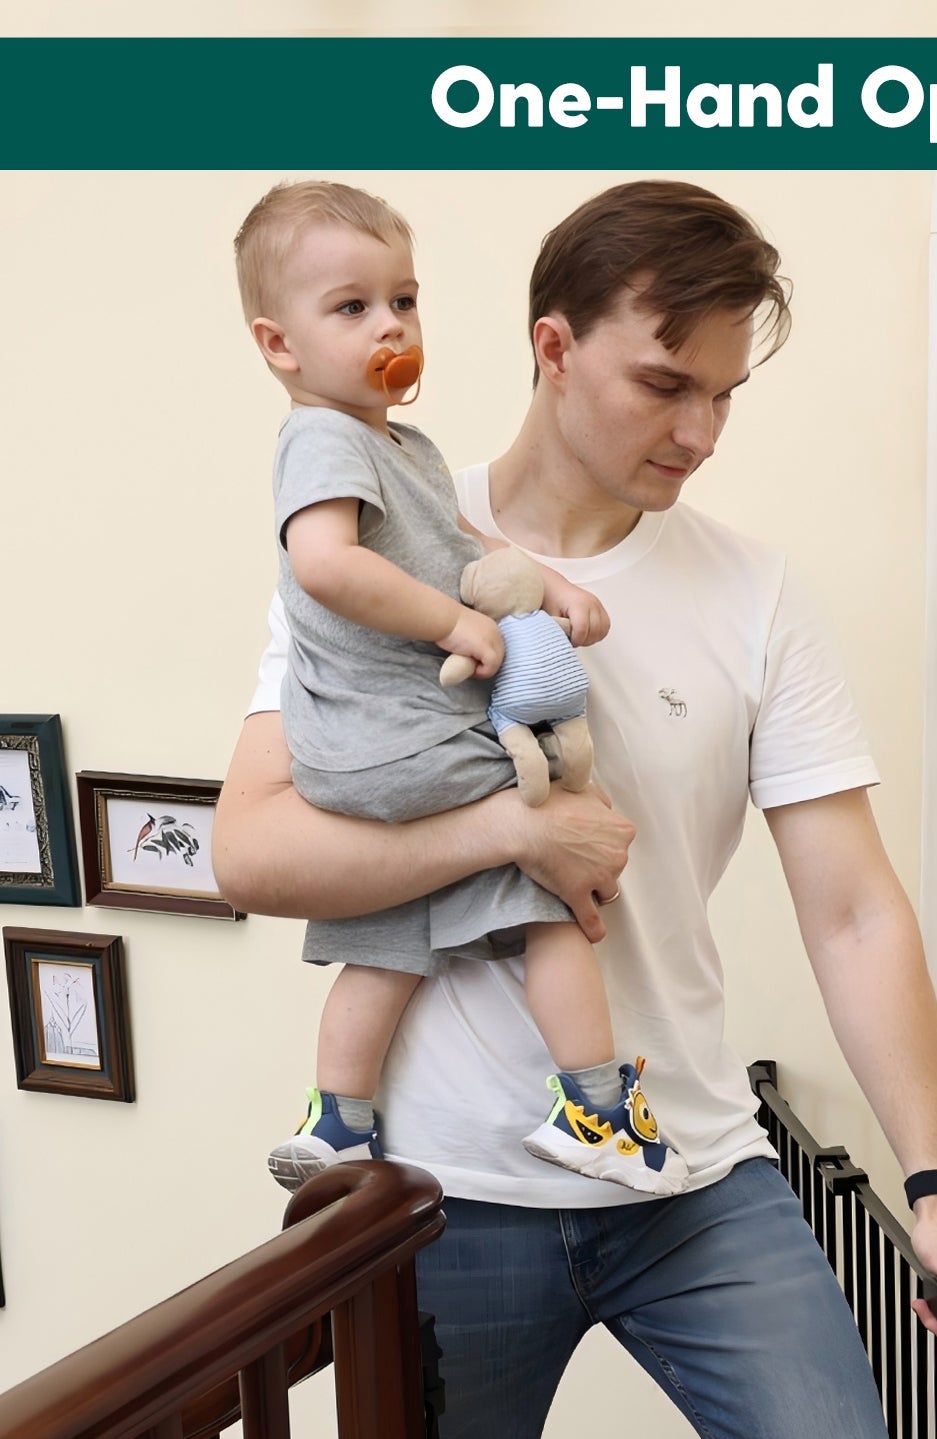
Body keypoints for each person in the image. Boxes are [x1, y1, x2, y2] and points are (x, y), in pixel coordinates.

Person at [215, 179, 937, 1439]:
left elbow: (850, 905)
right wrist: (515, 833)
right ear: (554, 344)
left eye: (726, 394)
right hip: (444, 1198)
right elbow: (252, 849)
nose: (700, 430)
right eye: (668, 382)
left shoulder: (752, 596)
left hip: (689, 1174)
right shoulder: (380, 544)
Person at [232, 178, 684, 1196]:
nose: (390, 325)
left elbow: (462, 541)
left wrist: (548, 585)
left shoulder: (397, 448)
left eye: (403, 299)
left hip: (361, 754)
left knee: (386, 940)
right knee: (550, 893)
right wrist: (454, 623)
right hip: (402, 734)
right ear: (280, 345)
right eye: (352, 307)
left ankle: (338, 1122)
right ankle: (598, 1110)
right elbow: (324, 563)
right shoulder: (322, 438)